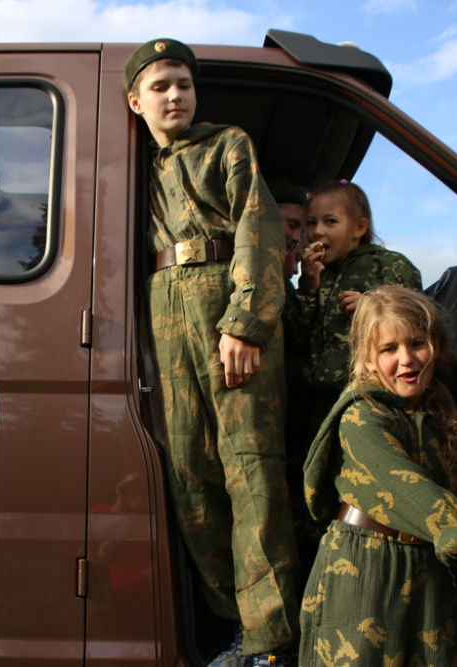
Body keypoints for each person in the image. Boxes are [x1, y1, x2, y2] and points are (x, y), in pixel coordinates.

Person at [124, 38, 299, 666]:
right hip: (163, 307)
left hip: (224, 297)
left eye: (184, 84)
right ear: (135, 101)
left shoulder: (227, 144)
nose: (175, 95)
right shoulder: (130, 165)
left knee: (251, 467)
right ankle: (236, 625)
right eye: (161, 86)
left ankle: (273, 639)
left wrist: (246, 324)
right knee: (189, 473)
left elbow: (259, 227)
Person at [299, 285, 457, 666]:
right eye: (389, 349)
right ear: (368, 360)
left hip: (432, 572)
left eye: (417, 343)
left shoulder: (439, 413)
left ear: (436, 345)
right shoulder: (361, 418)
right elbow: (414, 493)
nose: (406, 359)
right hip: (366, 573)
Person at [283, 179, 421, 474]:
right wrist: (307, 287)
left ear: (359, 228)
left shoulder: (388, 265)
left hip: (370, 402)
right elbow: (295, 339)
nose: (317, 232)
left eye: (330, 221)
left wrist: (370, 308)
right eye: (311, 223)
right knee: (320, 479)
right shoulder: (317, 275)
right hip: (320, 406)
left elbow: (414, 327)